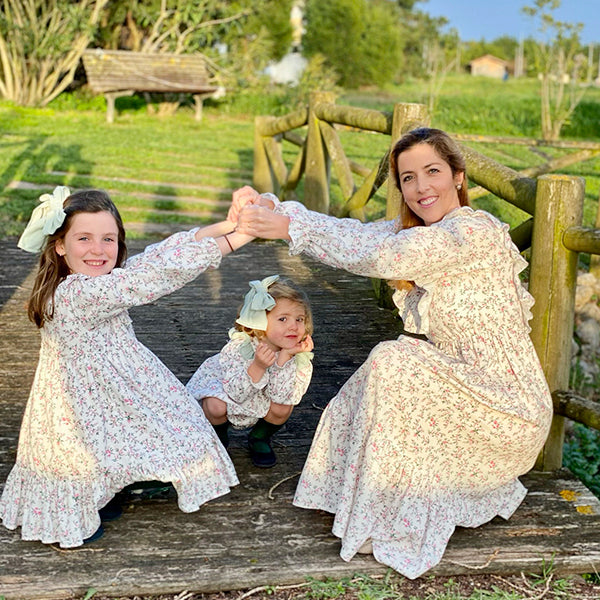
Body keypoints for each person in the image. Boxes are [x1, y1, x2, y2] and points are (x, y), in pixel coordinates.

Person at [234, 128, 553, 579]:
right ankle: (361, 500)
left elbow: (380, 254)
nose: (422, 187)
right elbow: (353, 233)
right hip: (465, 391)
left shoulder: (471, 233)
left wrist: (288, 228)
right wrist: (274, 208)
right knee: (388, 366)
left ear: (458, 177)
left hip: (509, 409)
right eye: (408, 178)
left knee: (394, 360)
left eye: (433, 172)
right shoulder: (421, 229)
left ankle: (383, 515)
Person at [0, 186, 254, 548]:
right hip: (80, 394)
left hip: (104, 382)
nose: (99, 249)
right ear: (60, 245)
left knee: (121, 433)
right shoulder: (81, 293)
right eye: (84, 238)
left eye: (109, 239)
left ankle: (114, 487)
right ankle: (73, 515)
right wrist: (239, 237)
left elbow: (155, 257)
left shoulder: (94, 281)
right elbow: (151, 278)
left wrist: (223, 226)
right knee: (80, 454)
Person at [186, 275, 314, 468]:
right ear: (258, 322)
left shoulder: (299, 357)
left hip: (263, 399)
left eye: (299, 319)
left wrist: (285, 358)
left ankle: (259, 438)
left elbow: (281, 396)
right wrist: (258, 366)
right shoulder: (239, 349)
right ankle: (219, 437)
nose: (293, 326)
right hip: (230, 393)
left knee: (283, 408)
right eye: (283, 319)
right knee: (215, 406)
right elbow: (236, 393)